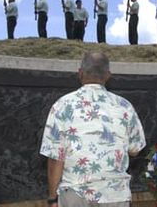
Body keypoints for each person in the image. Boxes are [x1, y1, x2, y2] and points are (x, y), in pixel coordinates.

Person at [40, 52, 146, 207]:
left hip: (75, 195)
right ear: (108, 75)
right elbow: (135, 149)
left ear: (80, 73)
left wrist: (52, 198)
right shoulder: (124, 106)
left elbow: (56, 158)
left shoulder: (62, 105)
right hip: (115, 195)